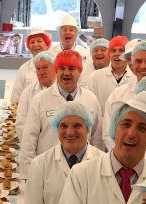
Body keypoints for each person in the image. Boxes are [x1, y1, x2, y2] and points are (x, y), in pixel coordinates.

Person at [20, 49, 103, 178]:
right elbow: (29, 140)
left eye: (71, 68)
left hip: (84, 171)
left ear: (80, 71)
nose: (66, 73)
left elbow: (97, 139)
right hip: (47, 171)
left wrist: (96, 169)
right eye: (61, 68)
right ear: (56, 71)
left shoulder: (91, 99)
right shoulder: (40, 99)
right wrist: (29, 174)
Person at [15, 51, 57, 141]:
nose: (41, 72)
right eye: (38, 69)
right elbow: (21, 124)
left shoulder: (62, 91)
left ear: (55, 68)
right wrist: (31, 146)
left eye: (45, 67)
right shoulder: (28, 92)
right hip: (33, 146)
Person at [87, 36, 134, 109]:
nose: (117, 53)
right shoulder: (95, 76)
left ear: (127, 55)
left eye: (121, 50)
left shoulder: (135, 76)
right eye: (113, 51)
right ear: (109, 54)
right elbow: (90, 105)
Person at [10, 27, 52, 104]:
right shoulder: (24, 69)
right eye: (32, 42)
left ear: (47, 45)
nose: (35, 45)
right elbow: (15, 99)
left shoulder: (55, 66)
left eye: (39, 41)